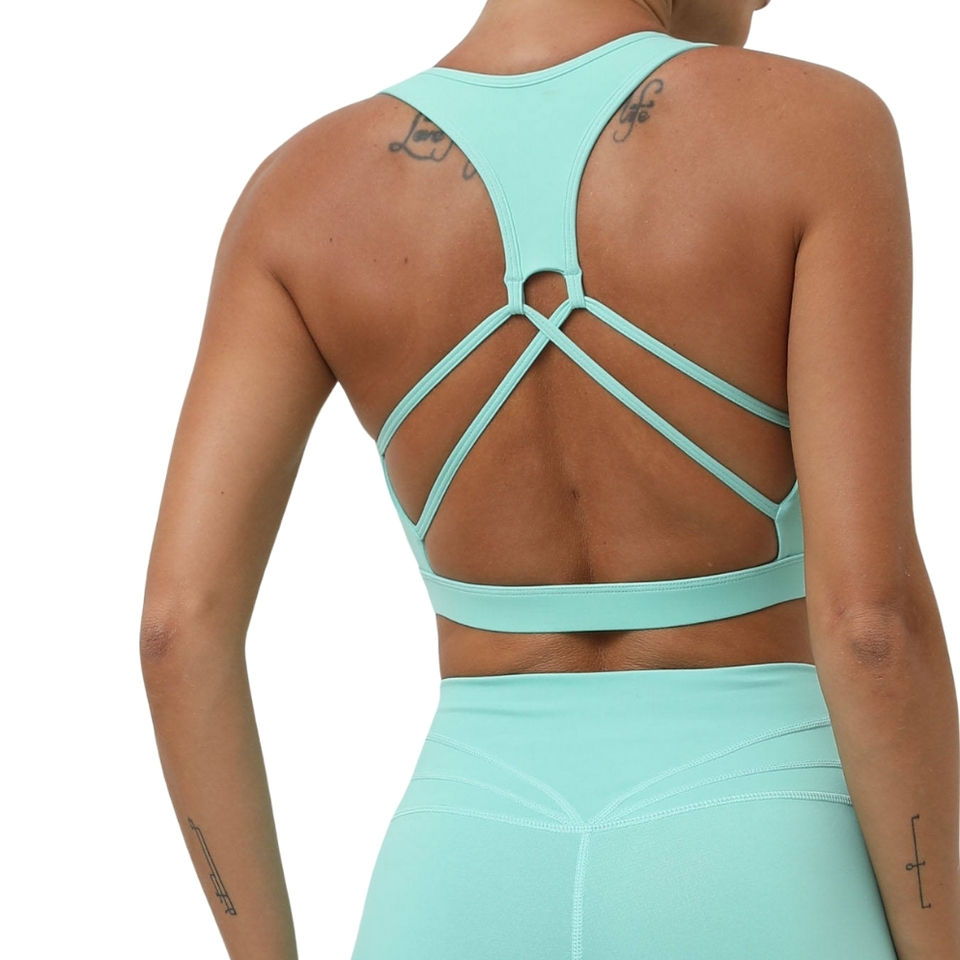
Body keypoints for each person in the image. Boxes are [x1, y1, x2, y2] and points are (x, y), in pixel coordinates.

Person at [139, 0, 960, 957]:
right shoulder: (819, 129)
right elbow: (871, 629)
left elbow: (176, 633)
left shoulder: (300, 192)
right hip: (763, 847)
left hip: (457, 871)